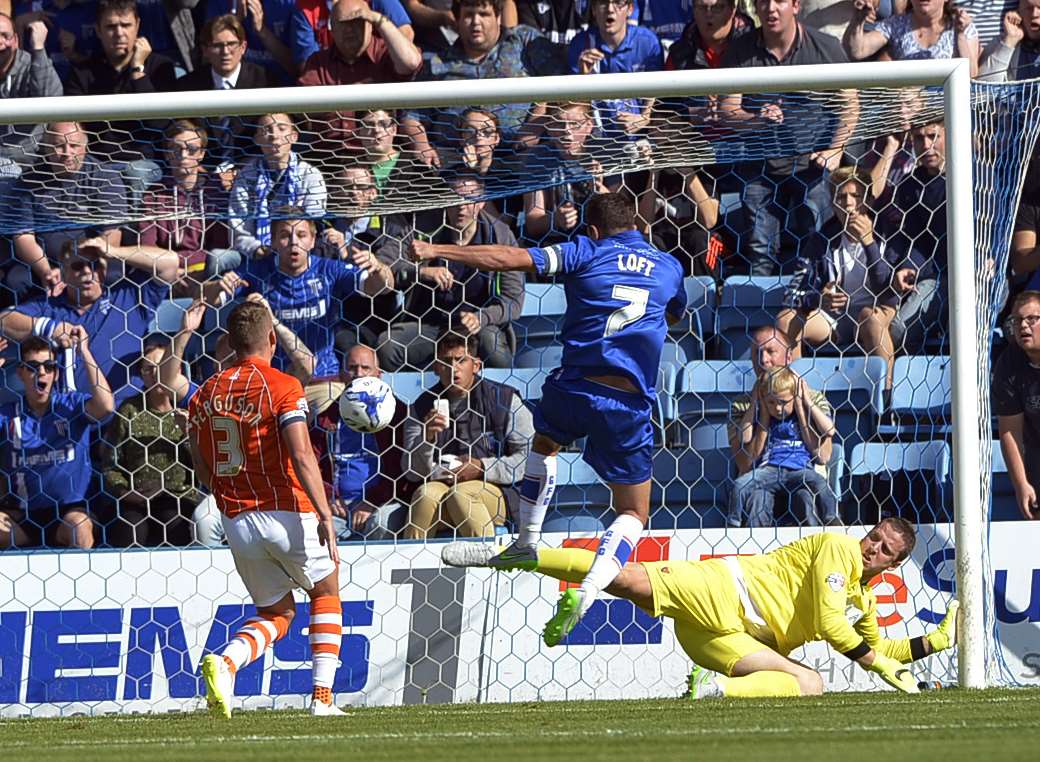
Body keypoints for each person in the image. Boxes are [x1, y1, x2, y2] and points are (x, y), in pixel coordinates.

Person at [426, 192, 687, 645]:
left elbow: (507, 257)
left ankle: (525, 541)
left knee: (543, 446)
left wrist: (438, 250)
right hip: (627, 399)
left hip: (575, 385)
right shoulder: (668, 266)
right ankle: (587, 592)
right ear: (638, 228)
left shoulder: (583, 250)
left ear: (592, 230)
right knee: (632, 511)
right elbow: (674, 312)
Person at [451, 518, 959, 697]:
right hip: (723, 589)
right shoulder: (838, 549)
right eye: (873, 538)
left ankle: (716, 689)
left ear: (894, 564)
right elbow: (832, 626)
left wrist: (936, 641)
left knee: (810, 684)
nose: (871, 548)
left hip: (728, 643)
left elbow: (884, 647)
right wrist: (877, 663)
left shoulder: (864, 595)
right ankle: (519, 554)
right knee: (626, 580)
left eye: (884, 550)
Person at [188, 300, 345, 717]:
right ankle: (322, 699)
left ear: (229, 342)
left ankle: (226, 662)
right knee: (325, 591)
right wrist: (325, 514)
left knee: (277, 611)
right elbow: (300, 453)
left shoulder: (204, 395)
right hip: (286, 509)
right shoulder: (282, 386)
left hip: (235, 518)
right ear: (271, 338)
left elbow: (203, 467)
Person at [718, 0, 858, 275]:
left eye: (779, 1)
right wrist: (757, 120)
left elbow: (850, 105)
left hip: (812, 166)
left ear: (795, 5)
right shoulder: (740, 51)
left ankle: (813, 310)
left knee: (818, 247)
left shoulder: (825, 47)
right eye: (762, 2)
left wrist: (835, 150)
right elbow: (727, 111)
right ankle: (758, 315)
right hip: (760, 167)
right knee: (760, 252)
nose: (770, 8)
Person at [775, 166, 920, 384]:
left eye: (856, 196)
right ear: (833, 203)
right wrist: (819, 299)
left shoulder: (890, 233)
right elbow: (792, 294)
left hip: (876, 312)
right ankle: (794, 392)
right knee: (786, 320)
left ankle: (887, 397)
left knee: (868, 317)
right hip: (834, 319)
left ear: (869, 201)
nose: (849, 203)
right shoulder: (821, 239)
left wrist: (869, 242)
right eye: (841, 197)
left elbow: (888, 290)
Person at [1, 231, 179, 405]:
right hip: (67, 421)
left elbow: (170, 263)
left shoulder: (127, 297)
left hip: (126, 418)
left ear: (104, 270)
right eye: (78, 266)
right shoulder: (49, 307)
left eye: (95, 265)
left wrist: (113, 251)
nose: (87, 272)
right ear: (63, 273)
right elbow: (4, 320)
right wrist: (49, 328)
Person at [377, 174, 524, 370]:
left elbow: (513, 302)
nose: (461, 206)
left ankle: (501, 397)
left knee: (493, 347)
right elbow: (383, 262)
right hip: (430, 324)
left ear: (481, 203)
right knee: (388, 346)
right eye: (455, 198)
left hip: (477, 326)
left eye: (469, 199)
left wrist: (481, 318)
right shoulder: (424, 228)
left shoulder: (499, 234)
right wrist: (421, 272)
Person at [401, 331, 533, 538]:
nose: (453, 369)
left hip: (497, 493)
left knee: (462, 495)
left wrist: (482, 468)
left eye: (460, 360)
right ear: (436, 367)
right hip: (440, 489)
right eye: (445, 361)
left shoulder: (506, 400)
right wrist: (426, 440)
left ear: (477, 365)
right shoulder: (420, 408)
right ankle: (411, 566)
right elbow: (411, 471)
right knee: (425, 495)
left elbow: (529, 459)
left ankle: (485, 563)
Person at [400, 0, 561, 167]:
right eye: (469, 15)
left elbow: (562, 86)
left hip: (524, 157)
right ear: (457, 20)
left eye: (484, 14)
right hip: (456, 166)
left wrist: (535, 124)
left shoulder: (524, 42)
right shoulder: (436, 64)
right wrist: (422, 146)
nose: (476, 22)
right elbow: (412, 116)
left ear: (498, 17)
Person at [238, 213, 394, 381]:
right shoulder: (257, 272)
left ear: (313, 240)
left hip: (323, 378)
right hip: (273, 380)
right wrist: (218, 286)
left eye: (301, 235)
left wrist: (379, 268)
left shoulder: (328, 270)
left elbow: (382, 287)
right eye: (284, 236)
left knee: (339, 404)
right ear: (273, 241)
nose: (294, 242)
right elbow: (214, 295)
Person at [0, 332, 114, 549]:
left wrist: (84, 351)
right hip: (22, 516)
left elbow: (106, 406)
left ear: (55, 374)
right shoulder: (8, 414)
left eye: (49, 366)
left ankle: (82, 582)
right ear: (21, 373)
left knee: (79, 526)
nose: (41, 372)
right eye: (33, 366)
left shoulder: (70, 405)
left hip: (70, 511)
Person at [97, 336, 198, 547]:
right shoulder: (129, 410)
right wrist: (125, 492)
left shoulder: (190, 410)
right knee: (130, 528)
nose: (155, 375)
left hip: (179, 497)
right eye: (147, 370)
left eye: (162, 367)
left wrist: (189, 433)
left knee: (173, 522)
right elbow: (110, 463)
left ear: (176, 370)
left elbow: (203, 466)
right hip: (136, 499)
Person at [8, 122, 128, 297]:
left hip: (91, 260)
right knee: (17, 280)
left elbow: (111, 233)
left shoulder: (105, 177)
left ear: (85, 147)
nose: (67, 153)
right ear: (46, 148)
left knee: (113, 274)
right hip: (46, 262)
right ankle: (33, 322)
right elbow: (23, 236)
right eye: (58, 146)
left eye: (74, 145)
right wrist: (45, 271)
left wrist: (90, 266)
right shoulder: (28, 181)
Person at [310, 344, 413, 539]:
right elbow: (311, 465)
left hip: (384, 503)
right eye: (352, 368)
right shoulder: (326, 420)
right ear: (341, 375)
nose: (359, 374)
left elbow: (402, 471)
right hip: (338, 508)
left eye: (365, 368)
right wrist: (328, 497)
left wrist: (372, 501)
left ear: (378, 374)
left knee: (379, 524)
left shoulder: (397, 414)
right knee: (318, 528)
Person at [64, 0, 178, 171]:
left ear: (137, 26)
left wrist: (138, 70)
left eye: (126, 25)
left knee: (134, 174)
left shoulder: (160, 67)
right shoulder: (82, 72)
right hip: (95, 163)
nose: (119, 33)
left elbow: (159, 124)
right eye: (111, 26)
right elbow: (75, 125)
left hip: (146, 163)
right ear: (98, 30)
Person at [297, 0, 422, 152]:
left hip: (380, 155)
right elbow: (305, 108)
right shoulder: (318, 62)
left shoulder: (385, 54)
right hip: (331, 158)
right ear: (332, 29)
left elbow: (411, 63)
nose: (349, 30)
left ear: (370, 25)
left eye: (357, 22)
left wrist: (379, 19)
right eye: (342, 24)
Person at [728, 367, 838, 527]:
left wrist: (805, 402)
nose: (778, 409)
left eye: (783, 403)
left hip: (798, 469)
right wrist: (755, 403)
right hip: (770, 470)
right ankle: (733, 525)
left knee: (818, 484)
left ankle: (832, 519)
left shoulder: (804, 411)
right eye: (771, 402)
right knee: (741, 486)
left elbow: (829, 430)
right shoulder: (763, 416)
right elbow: (744, 437)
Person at [875, 121, 947, 352]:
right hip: (935, 277)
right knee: (899, 330)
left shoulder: (979, 174)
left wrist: (990, 255)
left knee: (968, 330)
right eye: (918, 138)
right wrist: (909, 266)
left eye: (933, 136)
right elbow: (916, 239)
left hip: (981, 278)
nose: (926, 145)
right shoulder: (910, 185)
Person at [174, 14, 274, 171]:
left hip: (254, 169)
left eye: (232, 44)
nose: (225, 51)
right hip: (204, 172)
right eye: (217, 45)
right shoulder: (188, 85)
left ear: (243, 47)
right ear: (205, 50)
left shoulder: (265, 81)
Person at [228, 113, 328, 260]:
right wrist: (257, 249)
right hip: (256, 253)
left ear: (294, 136)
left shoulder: (310, 174)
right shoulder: (246, 176)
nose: (274, 135)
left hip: (299, 250)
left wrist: (288, 245)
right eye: (266, 130)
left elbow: (314, 219)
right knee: (219, 258)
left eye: (281, 128)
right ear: (256, 139)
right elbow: (239, 227)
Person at [568, 0, 663, 140]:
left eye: (618, 2)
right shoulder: (580, 45)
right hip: (596, 138)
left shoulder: (647, 42)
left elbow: (660, 91)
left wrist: (644, 117)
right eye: (602, 3)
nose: (610, 9)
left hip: (643, 135)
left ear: (630, 9)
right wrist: (583, 77)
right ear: (594, 10)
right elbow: (574, 106)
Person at [993, 290, 1040, 521]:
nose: (1023, 326)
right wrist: (1021, 484)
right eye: (1017, 320)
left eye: (1032, 319)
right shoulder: (1008, 364)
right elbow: (1010, 431)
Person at [843, 0, 979, 78]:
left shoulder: (962, 25)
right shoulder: (895, 24)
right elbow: (858, 50)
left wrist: (960, 35)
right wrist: (858, 20)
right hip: (905, 110)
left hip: (946, 109)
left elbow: (972, 75)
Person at [0, 13, 62, 167]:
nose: (0, 42)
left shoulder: (32, 65)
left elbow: (49, 101)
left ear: (15, 41)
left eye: (5, 36)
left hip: (28, 167)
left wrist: (38, 49)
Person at [290, 0, 415, 69]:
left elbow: (406, 35)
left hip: (378, 76)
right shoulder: (305, 6)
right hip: (330, 81)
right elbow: (305, 64)